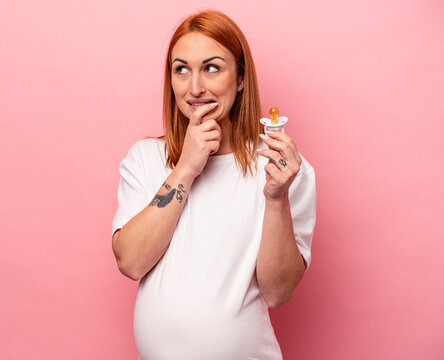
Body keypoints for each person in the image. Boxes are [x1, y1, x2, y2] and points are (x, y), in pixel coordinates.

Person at [111, 9, 316, 360]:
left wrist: (277, 197)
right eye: (181, 69)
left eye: (211, 68)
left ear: (240, 79)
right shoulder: (145, 158)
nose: (195, 88)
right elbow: (130, 262)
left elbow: (278, 292)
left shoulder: (280, 168)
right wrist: (186, 168)